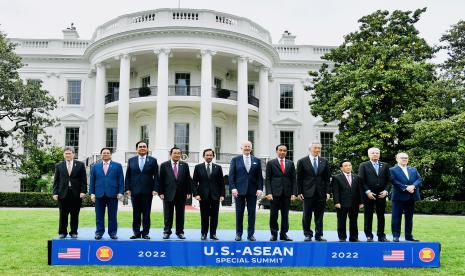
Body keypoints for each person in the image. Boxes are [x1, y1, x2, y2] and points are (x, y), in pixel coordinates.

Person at [229, 141, 263, 241]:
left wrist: (260, 188)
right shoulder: (235, 160)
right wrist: (233, 188)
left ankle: (250, 234)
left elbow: (259, 177)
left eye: (249, 146)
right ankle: (238, 234)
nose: (247, 148)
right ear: (241, 148)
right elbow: (232, 175)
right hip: (239, 191)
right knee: (239, 213)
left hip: (253, 191)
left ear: (251, 148)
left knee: (252, 213)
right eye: (245, 146)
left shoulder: (257, 160)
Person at [297, 142, 331, 242]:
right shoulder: (302, 161)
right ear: (310, 149)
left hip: (321, 193)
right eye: (315, 148)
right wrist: (299, 192)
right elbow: (299, 178)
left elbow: (327, 178)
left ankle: (319, 235)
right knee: (307, 215)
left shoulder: (324, 161)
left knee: (319, 215)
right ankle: (307, 234)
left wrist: (328, 191)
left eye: (319, 148)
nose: (317, 150)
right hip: (307, 192)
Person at [125, 141, 159, 239]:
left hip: (148, 192)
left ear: (147, 149)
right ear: (137, 149)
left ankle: (145, 233)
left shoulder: (153, 160)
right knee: (136, 213)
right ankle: (136, 232)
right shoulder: (131, 160)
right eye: (140, 147)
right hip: (134, 192)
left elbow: (156, 176)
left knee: (146, 214)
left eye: (144, 146)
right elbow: (128, 176)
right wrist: (127, 189)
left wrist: (155, 189)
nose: (142, 148)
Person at [89, 148, 124, 240]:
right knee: (99, 215)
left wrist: (120, 192)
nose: (106, 154)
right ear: (101, 155)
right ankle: (99, 233)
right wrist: (92, 193)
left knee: (112, 215)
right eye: (104, 153)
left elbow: (121, 180)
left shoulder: (117, 166)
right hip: (99, 194)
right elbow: (92, 181)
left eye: (108, 153)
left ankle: (113, 233)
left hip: (113, 194)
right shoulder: (95, 167)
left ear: (110, 155)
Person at [52, 147, 87, 239]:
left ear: (73, 154)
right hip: (62, 194)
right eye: (66, 153)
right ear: (64, 155)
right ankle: (62, 232)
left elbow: (83, 179)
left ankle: (74, 232)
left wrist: (83, 191)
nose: (67, 155)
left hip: (76, 193)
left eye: (69, 153)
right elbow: (56, 180)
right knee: (63, 214)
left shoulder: (80, 165)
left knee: (75, 214)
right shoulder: (59, 165)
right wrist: (55, 193)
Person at [358, 147, 391, 242]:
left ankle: (381, 236)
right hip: (368, 195)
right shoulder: (363, 165)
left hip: (381, 194)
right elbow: (361, 180)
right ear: (369, 155)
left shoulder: (385, 165)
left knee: (381, 216)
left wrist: (386, 191)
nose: (375, 154)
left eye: (377, 153)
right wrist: (367, 191)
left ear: (379, 154)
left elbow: (389, 180)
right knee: (368, 215)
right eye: (373, 153)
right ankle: (369, 235)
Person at [159, 147, 193, 239]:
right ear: (171, 154)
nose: (177, 155)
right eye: (175, 153)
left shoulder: (184, 165)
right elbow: (161, 180)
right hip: (167, 193)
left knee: (180, 214)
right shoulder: (164, 165)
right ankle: (167, 232)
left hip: (181, 194)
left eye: (179, 153)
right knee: (167, 214)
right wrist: (160, 192)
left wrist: (189, 192)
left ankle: (180, 232)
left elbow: (188, 180)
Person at [265, 144, 297, 241]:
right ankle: (274, 234)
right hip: (274, 194)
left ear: (286, 152)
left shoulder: (290, 163)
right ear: (277, 151)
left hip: (286, 194)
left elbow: (293, 179)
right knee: (273, 215)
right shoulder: (271, 163)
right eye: (280, 150)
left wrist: (293, 193)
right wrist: (269, 192)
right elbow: (268, 179)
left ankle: (284, 234)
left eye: (284, 150)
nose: (282, 152)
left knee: (285, 215)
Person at [192, 149, 225, 240]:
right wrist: (196, 194)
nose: (209, 157)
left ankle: (213, 234)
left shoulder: (218, 167)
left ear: (213, 156)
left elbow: (221, 183)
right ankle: (204, 234)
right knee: (204, 216)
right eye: (207, 155)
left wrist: (222, 195)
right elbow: (194, 182)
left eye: (211, 155)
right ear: (203, 156)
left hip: (215, 196)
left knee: (214, 216)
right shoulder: (198, 167)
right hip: (203, 196)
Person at [390, 152, 422, 242]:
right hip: (398, 197)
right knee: (396, 217)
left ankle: (409, 236)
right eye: (402, 158)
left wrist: (413, 186)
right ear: (397, 159)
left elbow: (419, 179)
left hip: (411, 196)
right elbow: (393, 181)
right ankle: (396, 236)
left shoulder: (413, 169)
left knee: (409, 218)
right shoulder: (392, 170)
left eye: (406, 158)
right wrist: (406, 187)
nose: (404, 159)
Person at [332, 160, 364, 242]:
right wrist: (337, 202)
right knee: (341, 221)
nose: (348, 167)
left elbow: (359, 190)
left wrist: (361, 202)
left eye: (349, 165)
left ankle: (354, 237)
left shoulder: (357, 177)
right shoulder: (336, 177)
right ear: (341, 168)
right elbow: (335, 191)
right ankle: (342, 237)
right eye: (346, 165)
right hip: (342, 203)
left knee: (354, 221)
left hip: (354, 203)